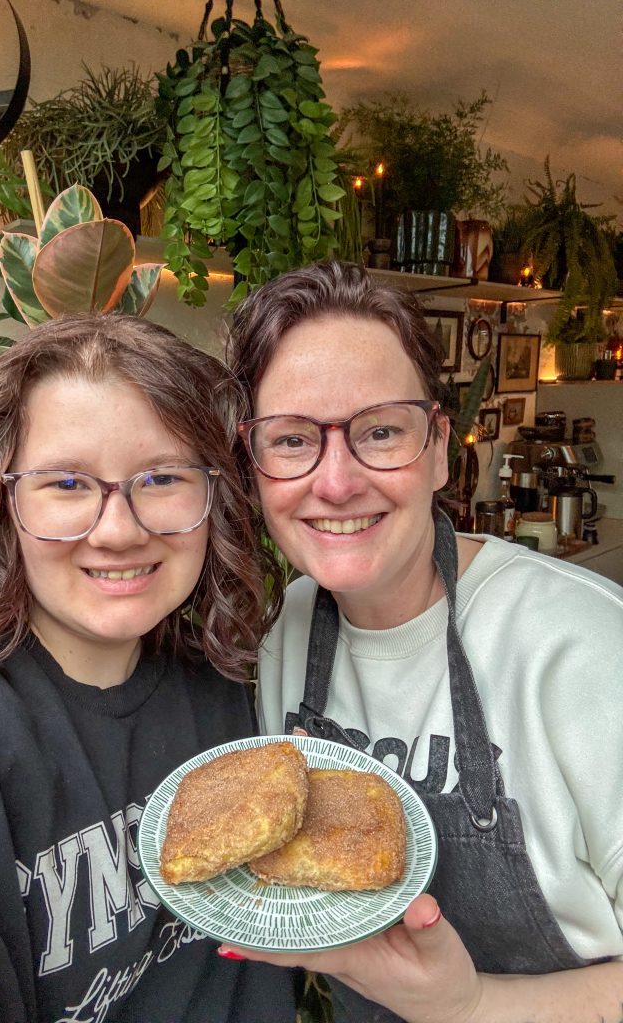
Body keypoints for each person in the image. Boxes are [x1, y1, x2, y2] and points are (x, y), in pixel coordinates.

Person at [0, 315, 295, 1023]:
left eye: (162, 477)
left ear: (214, 499)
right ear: (2, 500)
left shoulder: (224, 682)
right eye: (66, 483)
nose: (119, 530)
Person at [224, 260, 623, 1023]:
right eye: (292, 439)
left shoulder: (584, 649)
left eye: (380, 431)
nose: (336, 482)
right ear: (255, 468)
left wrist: (471, 1005)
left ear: (439, 446)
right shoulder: (282, 635)